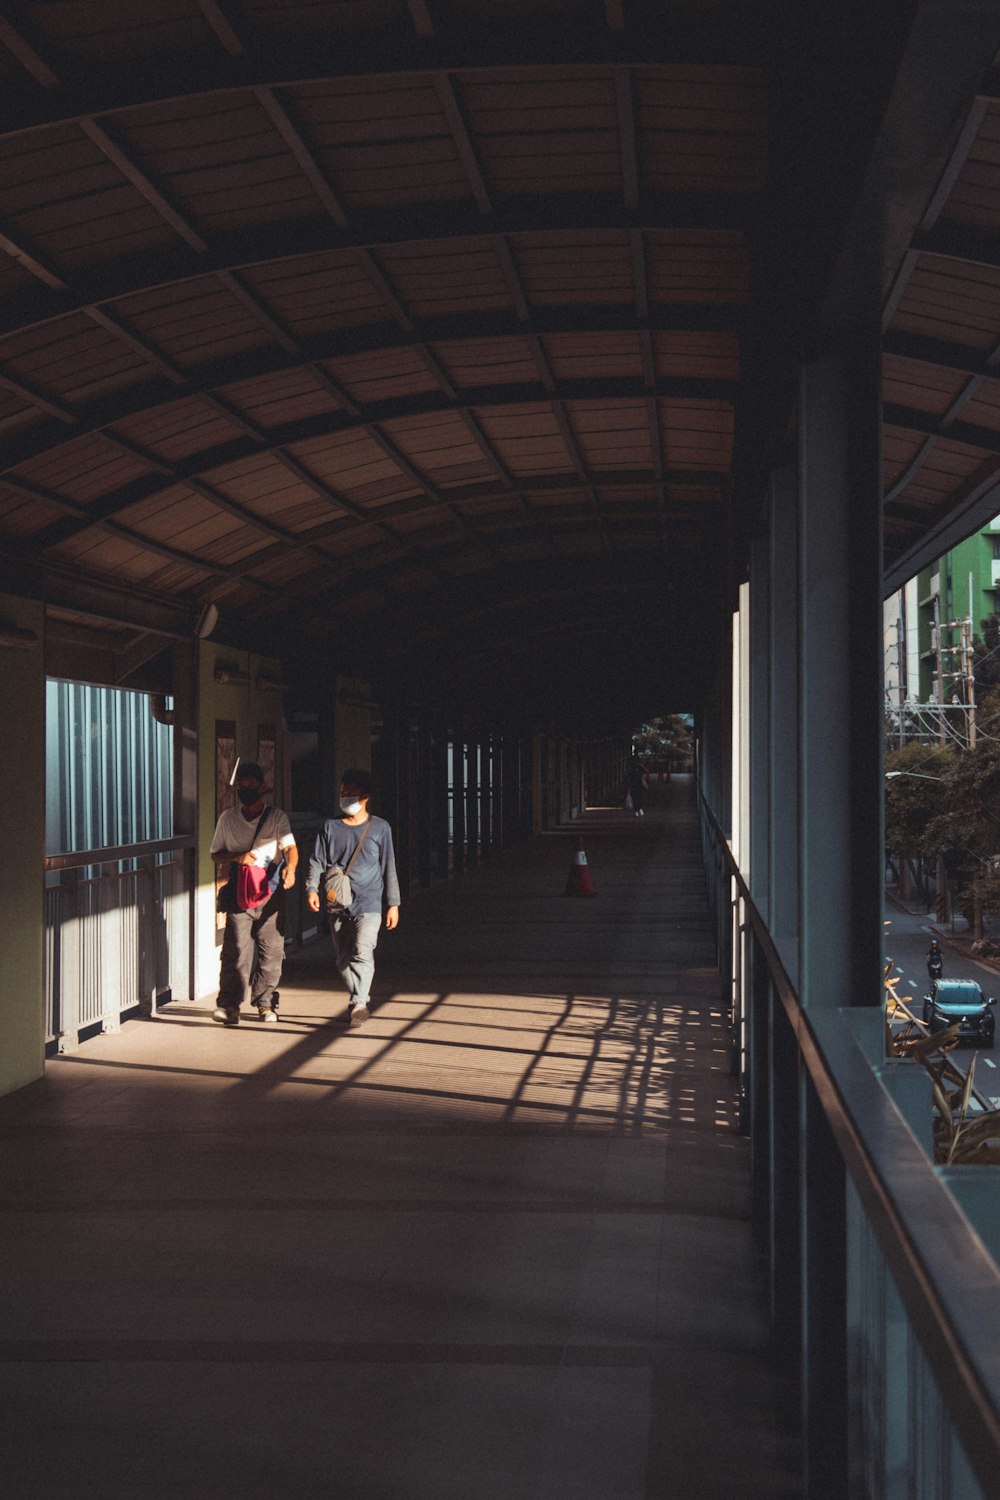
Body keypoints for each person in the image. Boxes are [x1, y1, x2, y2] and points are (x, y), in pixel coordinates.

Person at [306, 768, 400, 1026]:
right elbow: (317, 861)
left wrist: (393, 904)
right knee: (342, 957)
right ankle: (356, 995)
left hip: (369, 902)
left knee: (363, 949)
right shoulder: (330, 827)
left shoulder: (381, 828)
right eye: (343, 793)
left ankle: (359, 1002)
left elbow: (389, 865)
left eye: (352, 794)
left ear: (366, 797)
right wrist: (311, 889)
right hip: (337, 901)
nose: (346, 798)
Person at [210, 761, 298, 1026]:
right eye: (242, 786)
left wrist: (291, 869)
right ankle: (229, 1006)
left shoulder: (277, 817)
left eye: (251, 785)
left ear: (262, 787)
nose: (246, 789)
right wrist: (239, 857)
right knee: (235, 950)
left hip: (270, 889)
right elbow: (215, 854)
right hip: (240, 891)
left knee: (270, 949)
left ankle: (265, 1003)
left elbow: (290, 847)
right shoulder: (228, 818)